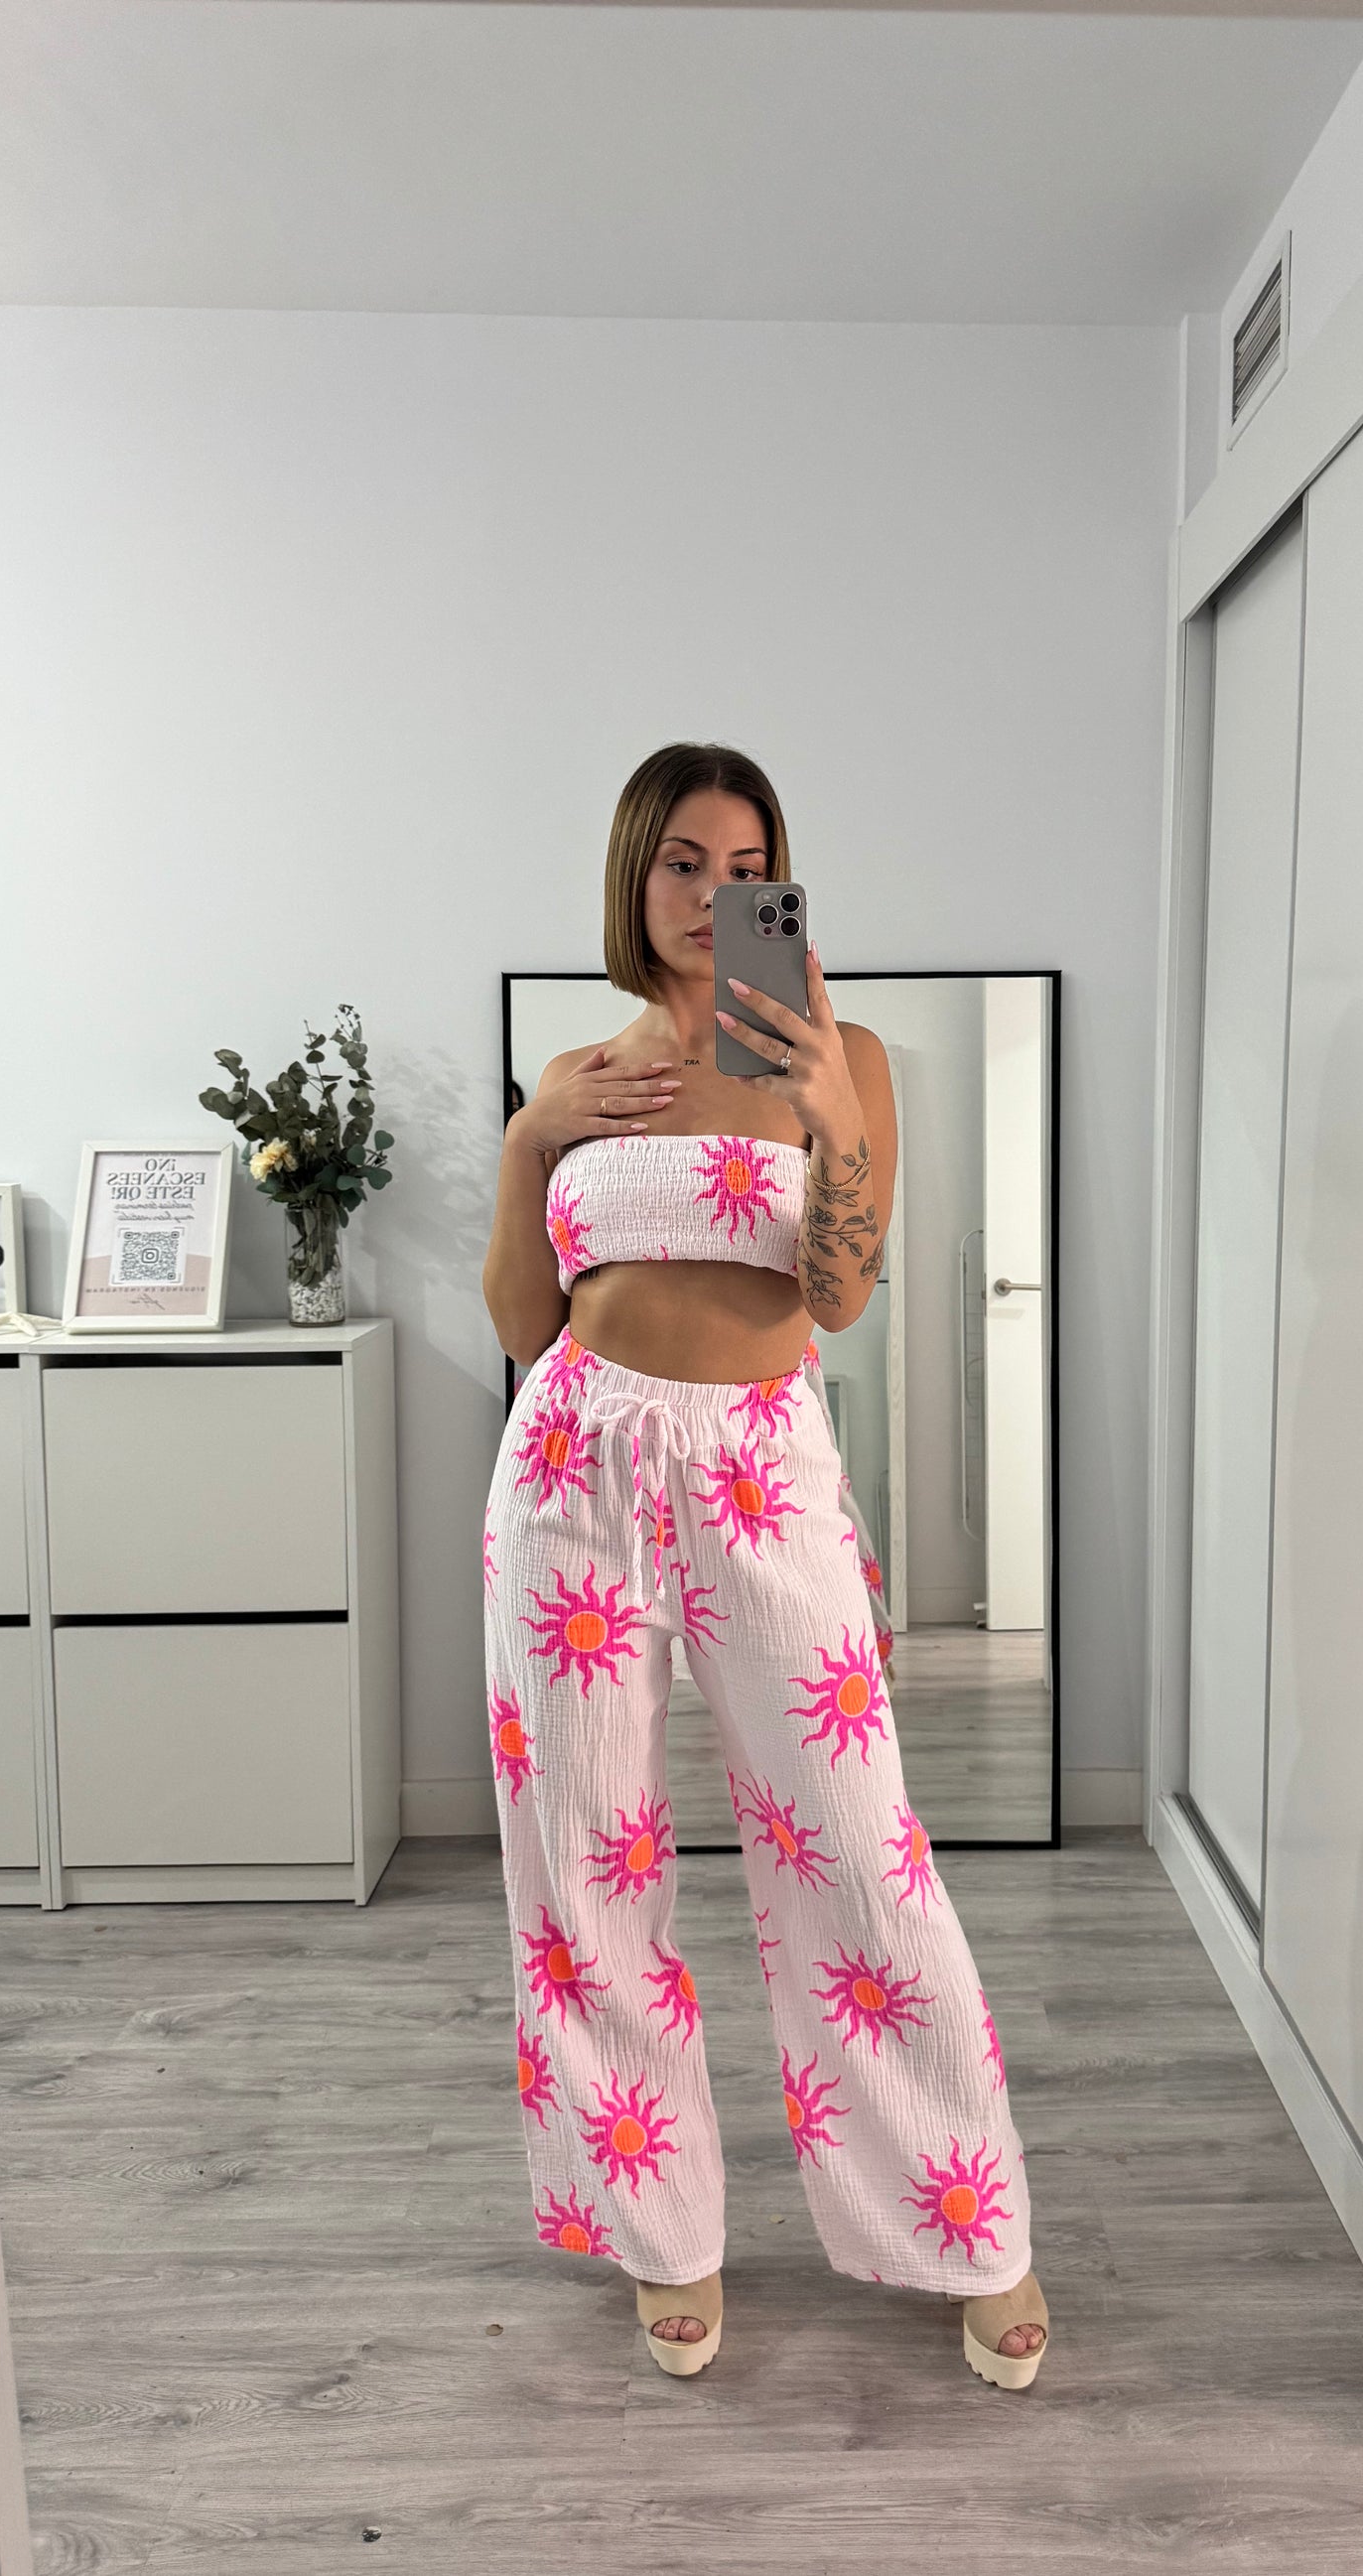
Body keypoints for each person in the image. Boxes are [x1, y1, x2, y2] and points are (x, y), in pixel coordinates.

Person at [480, 743, 1049, 2390]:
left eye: (746, 869)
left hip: (758, 1464)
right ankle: (658, 2232)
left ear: (779, 888)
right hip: (574, 1466)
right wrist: (529, 1140)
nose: (710, 894)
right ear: (632, 874)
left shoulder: (839, 1053)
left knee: (857, 1853)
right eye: (681, 862)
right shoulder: (579, 1073)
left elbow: (844, 1291)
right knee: (583, 1865)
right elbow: (519, 1321)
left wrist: (825, 1114)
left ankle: (964, 2226)